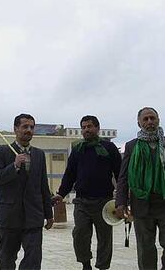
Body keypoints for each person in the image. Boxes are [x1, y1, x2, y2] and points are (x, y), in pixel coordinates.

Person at [115, 107, 165, 270]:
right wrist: (120, 202)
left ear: (158, 120)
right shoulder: (131, 146)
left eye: (152, 118)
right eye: (145, 119)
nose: (149, 122)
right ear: (139, 123)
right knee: (145, 250)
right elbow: (123, 177)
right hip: (142, 205)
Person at [52, 115, 122, 270]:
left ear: (97, 128)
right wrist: (61, 194)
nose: (86, 130)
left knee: (105, 238)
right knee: (79, 234)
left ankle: (103, 266)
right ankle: (85, 263)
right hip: (82, 202)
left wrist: (124, 197)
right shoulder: (78, 149)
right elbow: (70, 174)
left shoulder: (109, 148)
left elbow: (120, 174)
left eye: (89, 126)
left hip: (104, 202)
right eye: (83, 127)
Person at [0, 113, 54, 270]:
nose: (29, 130)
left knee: (33, 260)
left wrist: (49, 214)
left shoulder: (39, 155)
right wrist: (14, 166)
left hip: (33, 217)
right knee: (7, 259)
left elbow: (43, 186)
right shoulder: (2, 151)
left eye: (32, 127)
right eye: (25, 126)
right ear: (15, 129)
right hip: (9, 217)